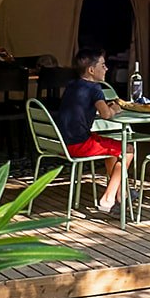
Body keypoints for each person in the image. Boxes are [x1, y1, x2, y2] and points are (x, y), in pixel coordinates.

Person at [55, 47, 134, 214]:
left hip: (61, 142)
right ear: (91, 70)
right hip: (78, 144)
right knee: (128, 150)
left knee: (113, 150)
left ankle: (122, 193)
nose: (106, 68)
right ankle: (108, 198)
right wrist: (115, 109)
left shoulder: (72, 85)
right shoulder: (95, 88)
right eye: (103, 65)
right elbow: (106, 115)